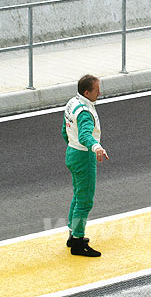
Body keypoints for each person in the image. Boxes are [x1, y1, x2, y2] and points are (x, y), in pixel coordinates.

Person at [62, 74, 109, 257]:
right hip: (83, 156)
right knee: (85, 200)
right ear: (87, 92)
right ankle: (78, 243)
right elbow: (85, 135)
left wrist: (71, 143)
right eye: (97, 90)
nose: (100, 93)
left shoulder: (72, 103)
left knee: (77, 195)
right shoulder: (85, 112)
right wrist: (96, 147)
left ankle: (72, 234)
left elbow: (65, 130)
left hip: (72, 153)